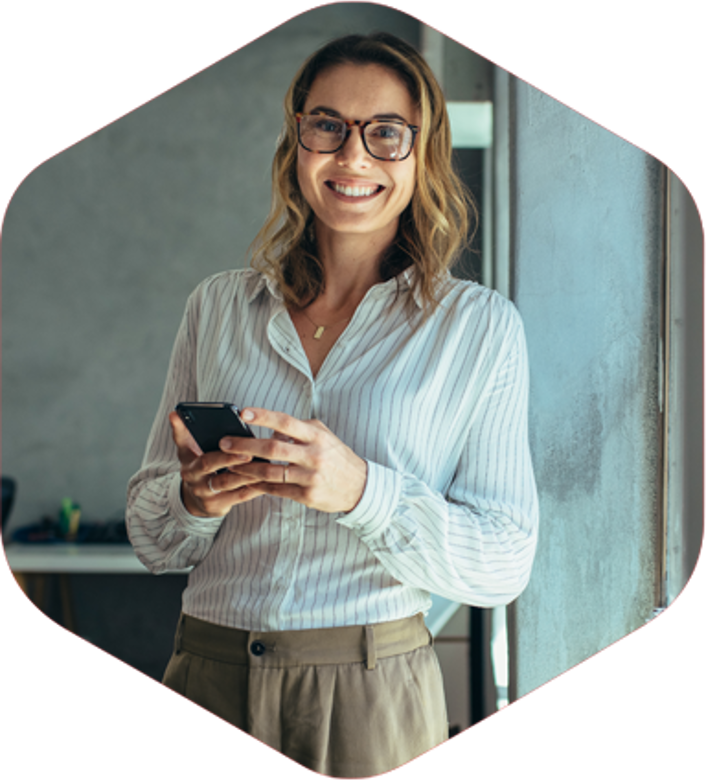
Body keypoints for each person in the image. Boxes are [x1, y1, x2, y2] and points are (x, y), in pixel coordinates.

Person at [126, 31, 539, 779]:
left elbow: (505, 561)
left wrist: (362, 492)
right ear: (296, 143)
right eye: (328, 126)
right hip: (207, 671)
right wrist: (192, 499)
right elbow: (156, 541)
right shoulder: (217, 308)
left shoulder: (478, 329)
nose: (352, 157)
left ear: (422, 153)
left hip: (371, 692)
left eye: (386, 133)